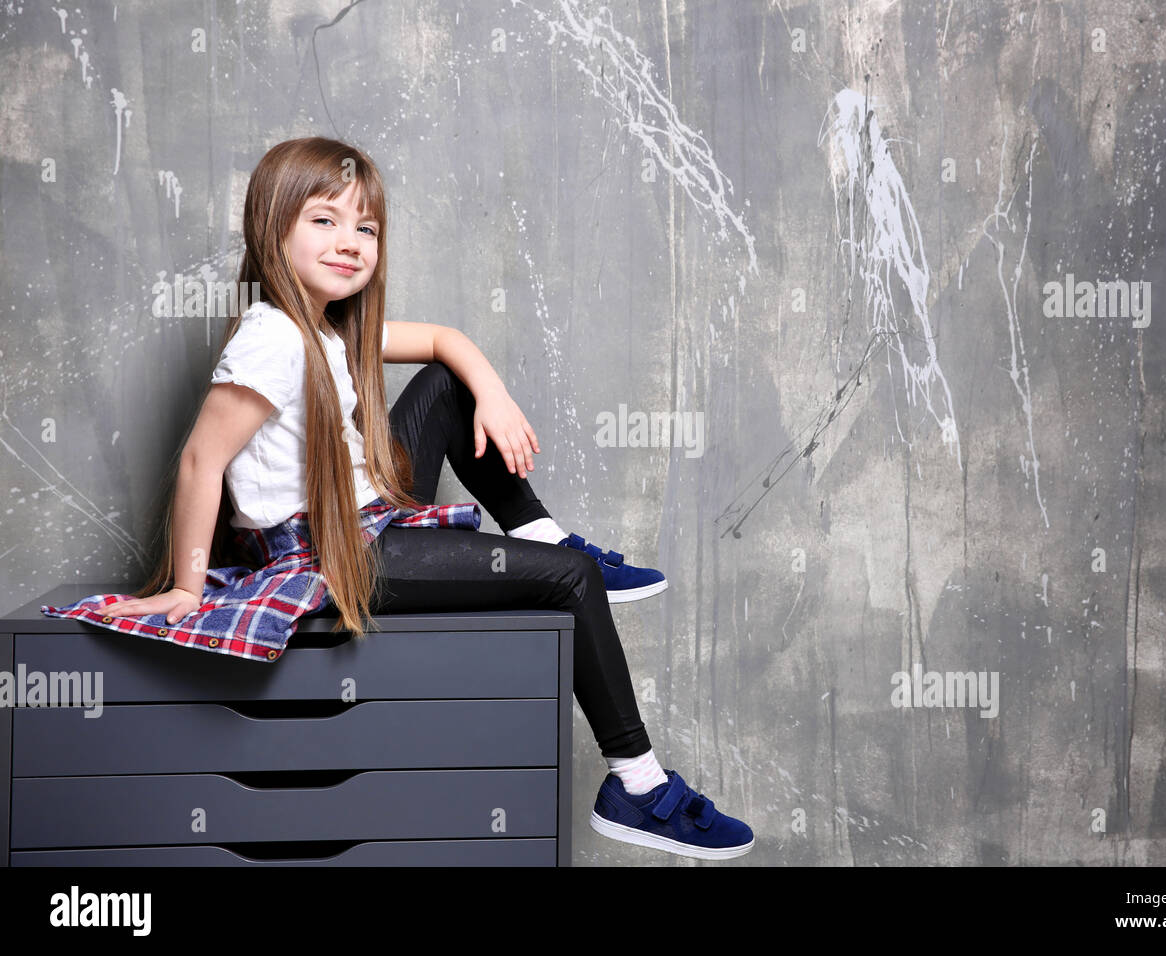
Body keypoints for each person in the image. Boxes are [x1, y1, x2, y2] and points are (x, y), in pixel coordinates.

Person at [50, 136, 753, 861]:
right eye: (323, 221)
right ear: (272, 228)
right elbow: (201, 460)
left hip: (365, 512)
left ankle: (540, 536)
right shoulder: (271, 338)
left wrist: (495, 394)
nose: (350, 243)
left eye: (366, 228)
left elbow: (446, 339)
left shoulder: (325, 328)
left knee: (449, 384)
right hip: (331, 550)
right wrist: (186, 586)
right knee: (574, 584)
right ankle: (637, 788)